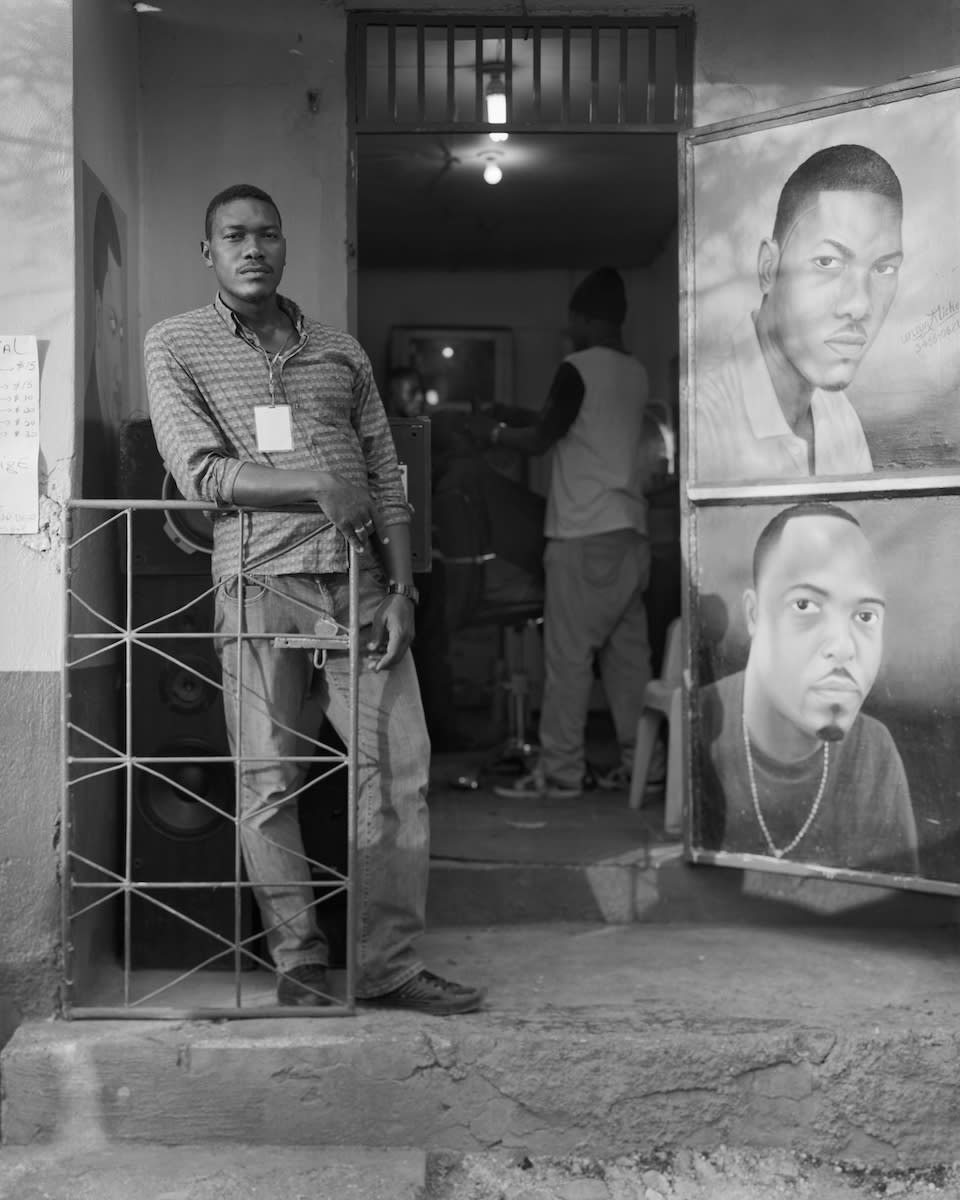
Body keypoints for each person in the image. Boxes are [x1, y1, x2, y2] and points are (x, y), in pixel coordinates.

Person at [144, 183, 484, 1014]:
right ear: (209, 253)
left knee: (397, 771)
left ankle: (388, 966)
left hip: (361, 590)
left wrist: (405, 590)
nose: (252, 248)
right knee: (268, 781)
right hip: (259, 585)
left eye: (266, 233)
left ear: (286, 244)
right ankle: (298, 960)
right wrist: (311, 485)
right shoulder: (174, 345)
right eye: (233, 236)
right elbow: (200, 476)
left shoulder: (340, 350)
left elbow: (386, 480)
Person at [470, 267, 655, 799]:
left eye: (573, 319)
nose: (569, 328)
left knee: (569, 662)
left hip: (583, 537)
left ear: (586, 318)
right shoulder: (635, 372)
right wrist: (512, 414)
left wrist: (495, 431)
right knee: (628, 663)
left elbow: (542, 438)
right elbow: (577, 422)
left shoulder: (576, 367)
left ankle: (561, 773)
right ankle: (643, 764)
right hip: (631, 536)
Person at [698, 502, 919, 875]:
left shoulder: (874, 752)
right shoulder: (702, 719)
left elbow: (903, 910)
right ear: (754, 615)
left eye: (865, 616)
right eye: (805, 605)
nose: (843, 646)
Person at [696, 144, 904, 483]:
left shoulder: (839, 418)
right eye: (827, 262)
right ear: (768, 268)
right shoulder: (707, 418)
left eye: (883, 268)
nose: (859, 305)